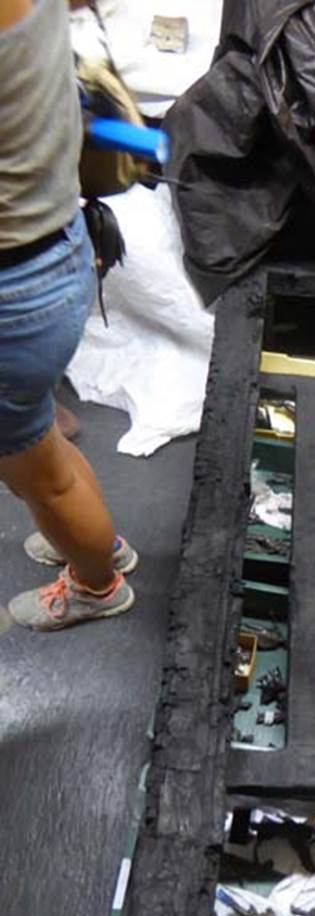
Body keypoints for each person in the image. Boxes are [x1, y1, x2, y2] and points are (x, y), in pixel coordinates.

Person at [0, 0, 137, 630]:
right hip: (56, 248)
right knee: (36, 446)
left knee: (39, 473)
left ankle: (95, 584)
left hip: (15, 291)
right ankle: (96, 543)